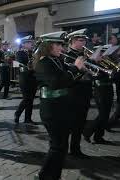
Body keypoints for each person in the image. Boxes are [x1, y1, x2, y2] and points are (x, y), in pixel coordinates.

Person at [34, 31, 85, 180]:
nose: (61, 48)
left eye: (62, 45)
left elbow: (68, 80)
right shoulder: (43, 63)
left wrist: (80, 70)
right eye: (58, 44)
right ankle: (43, 175)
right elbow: (56, 83)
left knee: (61, 146)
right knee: (57, 146)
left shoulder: (56, 60)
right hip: (52, 110)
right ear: (48, 45)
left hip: (61, 107)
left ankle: (54, 175)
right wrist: (75, 68)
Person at [64, 29, 92, 158]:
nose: (84, 42)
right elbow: (69, 77)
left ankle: (75, 148)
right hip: (74, 93)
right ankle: (71, 149)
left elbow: (93, 73)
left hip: (85, 92)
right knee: (73, 123)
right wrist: (81, 70)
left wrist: (94, 62)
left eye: (84, 40)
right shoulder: (67, 56)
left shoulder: (84, 54)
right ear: (72, 41)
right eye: (81, 40)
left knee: (80, 123)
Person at [14, 35, 37, 124]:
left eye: (31, 42)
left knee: (31, 99)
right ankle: (17, 113)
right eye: (29, 43)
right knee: (27, 98)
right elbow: (19, 64)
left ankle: (28, 119)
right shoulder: (20, 53)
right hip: (24, 77)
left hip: (33, 77)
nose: (31, 44)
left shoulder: (33, 52)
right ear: (23, 44)